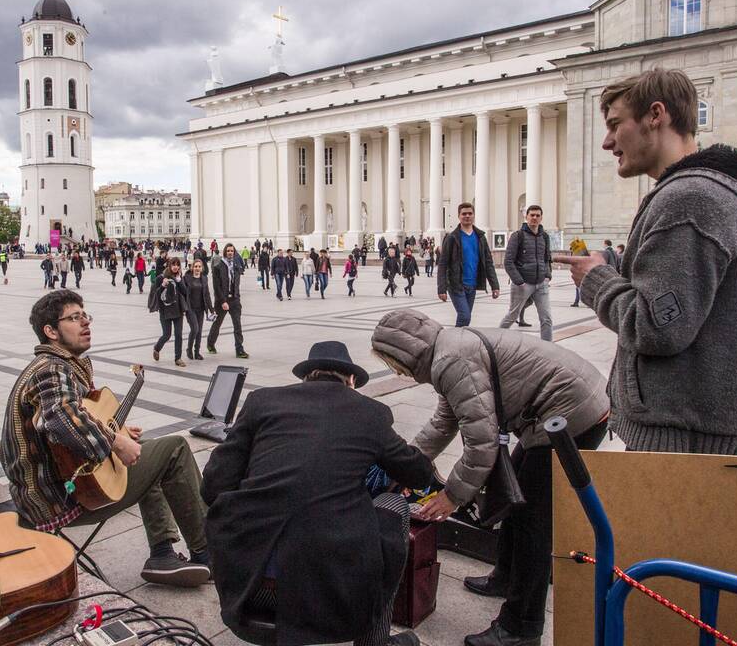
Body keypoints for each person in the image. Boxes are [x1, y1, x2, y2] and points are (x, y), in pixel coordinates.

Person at [569, 67, 737, 457]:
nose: (607, 142)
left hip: (689, 448)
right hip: (712, 438)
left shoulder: (688, 201)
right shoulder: (712, 192)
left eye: (615, 124)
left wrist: (596, 279)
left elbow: (656, 327)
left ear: (656, 115)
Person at [371, 309, 609, 646]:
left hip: (571, 414)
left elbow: (481, 446)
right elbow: (444, 421)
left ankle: (520, 628)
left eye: (395, 365)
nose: (401, 374)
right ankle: (507, 577)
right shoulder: (448, 349)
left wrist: (452, 496)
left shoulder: (451, 361)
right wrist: (405, 466)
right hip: (559, 409)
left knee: (533, 524)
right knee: (518, 503)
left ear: (405, 355)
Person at [203, 340, 431, 646]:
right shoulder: (370, 412)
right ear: (351, 381)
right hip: (329, 589)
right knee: (394, 505)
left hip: (245, 577)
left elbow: (213, 485)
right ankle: (375, 641)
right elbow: (419, 473)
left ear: (306, 377)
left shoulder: (262, 401)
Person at [0, 290, 212, 586]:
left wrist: (118, 433)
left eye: (85, 315)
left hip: (52, 490)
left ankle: (162, 553)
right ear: (50, 332)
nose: (85, 323)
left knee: (147, 452)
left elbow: (66, 419)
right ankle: (208, 552)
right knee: (174, 449)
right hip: (58, 501)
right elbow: (61, 417)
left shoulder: (55, 366)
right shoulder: (51, 368)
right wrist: (115, 441)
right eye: (74, 318)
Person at [438, 202, 500, 326]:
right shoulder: (452, 237)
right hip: (456, 284)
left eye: (470, 213)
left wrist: (495, 285)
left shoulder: (480, 237)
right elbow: (443, 264)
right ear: (459, 216)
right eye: (464, 214)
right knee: (464, 316)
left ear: (474, 215)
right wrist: (441, 288)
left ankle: (460, 342)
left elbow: (488, 262)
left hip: (472, 284)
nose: (467, 216)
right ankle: (454, 342)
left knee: (466, 318)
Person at [499, 206, 553, 342]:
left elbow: (547, 258)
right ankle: (496, 339)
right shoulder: (518, 236)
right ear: (526, 216)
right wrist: (519, 281)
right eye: (532, 215)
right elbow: (508, 261)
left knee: (546, 318)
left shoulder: (544, 236)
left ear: (541, 217)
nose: (534, 218)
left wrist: (547, 275)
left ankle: (548, 348)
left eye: (537, 215)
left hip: (541, 283)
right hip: (523, 284)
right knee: (512, 315)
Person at [206, 244, 249, 359]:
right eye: (228, 251)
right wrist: (223, 301)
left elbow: (237, 283)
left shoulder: (236, 265)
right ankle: (210, 343)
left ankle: (239, 349)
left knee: (237, 326)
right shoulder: (218, 266)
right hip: (222, 300)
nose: (230, 252)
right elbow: (217, 287)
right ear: (225, 252)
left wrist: (237, 297)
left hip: (234, 300)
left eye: (232, 251)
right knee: (217, 324)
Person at [149, 258, 188, 367]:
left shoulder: (179, 278)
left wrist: (180, 281)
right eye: (173, 264)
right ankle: (157, 348)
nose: (176, 267)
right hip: (165, 311)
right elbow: (155, 295)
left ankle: (178, 358)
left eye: (178, 265)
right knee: (167, 334)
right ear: (169, 265)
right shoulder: (160, 278)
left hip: (178, 310)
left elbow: (185, 292)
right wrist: (162, 286)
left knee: (179, 334)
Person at [184, 259, 212, 361]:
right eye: (195, 266)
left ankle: (197, 352)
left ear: (202, 268)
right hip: (190, 308)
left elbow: (207, 294)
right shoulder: (187, 278)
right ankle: (189, 349)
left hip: (201, 309)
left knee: (199, 331)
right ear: (192, 267)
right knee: (195, 329)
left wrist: (211, 309)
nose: (197, 268)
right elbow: (183, 293)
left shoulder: (204, 279)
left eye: (199, 267)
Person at [567, 237, 589, 307]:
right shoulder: (580, 253)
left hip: (582, 273)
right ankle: (576, 302)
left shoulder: (580, 253)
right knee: (578, 288)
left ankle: (587, 302)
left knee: (582, 288)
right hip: (578, 273)